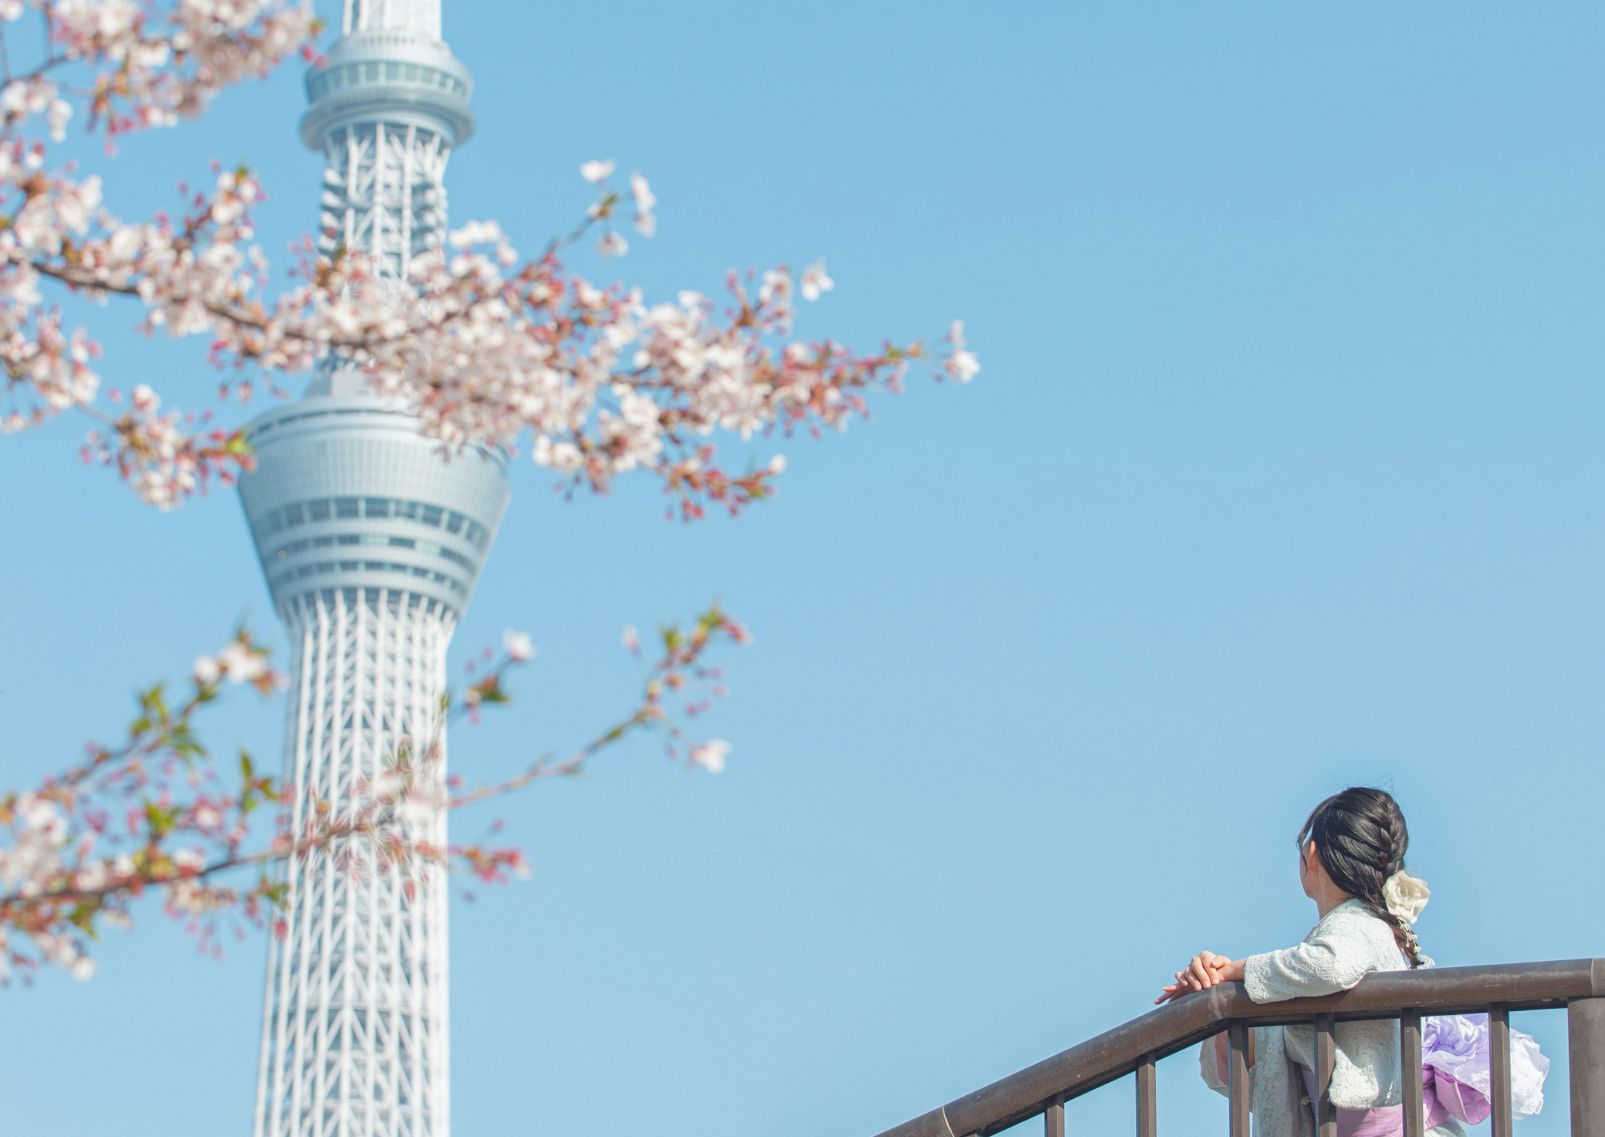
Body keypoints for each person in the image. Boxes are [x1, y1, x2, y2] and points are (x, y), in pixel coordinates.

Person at [1156, 787, 1545, 1137]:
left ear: (1312, 854)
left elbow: (1332, 966)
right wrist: (1221, 991)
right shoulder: (1366, 929)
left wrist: (1235, 970)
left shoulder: (1356, 928)